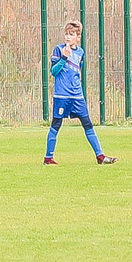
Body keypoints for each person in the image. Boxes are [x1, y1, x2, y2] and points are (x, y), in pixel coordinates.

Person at [43, 20, 110, 164]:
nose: (67, 37)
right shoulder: (58, 50)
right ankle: (49, 158)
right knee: (56, 124)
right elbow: (54, 72)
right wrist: (64, 57)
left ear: (78, 37)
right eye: (66, 34)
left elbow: (77, 73)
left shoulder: (81, 52)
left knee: (88, 124)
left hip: (77, 96)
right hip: (62, 96)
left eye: (71, 34)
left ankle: (100, 156)